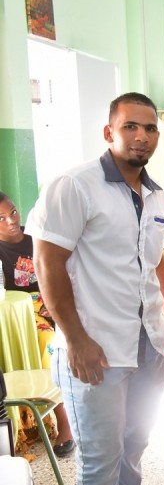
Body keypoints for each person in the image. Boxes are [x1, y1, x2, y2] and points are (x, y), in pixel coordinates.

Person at [25, 92, 164, 485]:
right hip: (96, 349)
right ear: (108, 132)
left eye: (149, 128)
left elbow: (155, 256)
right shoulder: (75, 185)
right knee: (101, 457)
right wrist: (75, 339)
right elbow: (47, 263)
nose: (141, 136)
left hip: (148, 345)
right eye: (130, 126)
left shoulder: (155, 194)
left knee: (135, 444)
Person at [0, 192, 75, 457]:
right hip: (19, 310)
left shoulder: (35, 236)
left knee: (52, 342)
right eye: (1, 218)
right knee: (37, 342)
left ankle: (68, 421)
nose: (11, 221)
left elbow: (60, 270)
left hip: (52, 299)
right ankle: (31, 423)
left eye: (13, 212)